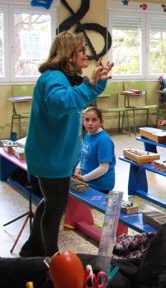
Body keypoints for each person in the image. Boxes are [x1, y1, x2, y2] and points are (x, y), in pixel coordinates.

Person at [20, 31, 113, 257]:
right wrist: (89, 82)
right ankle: (50, 256)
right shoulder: (53, 78)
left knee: (51, 202)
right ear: (69, 54)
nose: (86, 54)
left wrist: (96, 81)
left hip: (57, 156)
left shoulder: (66, 78)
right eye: (82, 50)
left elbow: (81, 94)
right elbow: (60, 103)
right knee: (55, 206)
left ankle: (32, 247)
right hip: (50, 156)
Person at [73, 106, 116, 194]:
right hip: (87, 179)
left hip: (100, 185)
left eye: (94, 120)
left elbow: (103, 168)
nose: (90, 123)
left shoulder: (104, 140)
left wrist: (84, 178)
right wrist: (78, 169)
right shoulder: (88, 135)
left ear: (101, 122)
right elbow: (83, 156)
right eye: (87, 119)